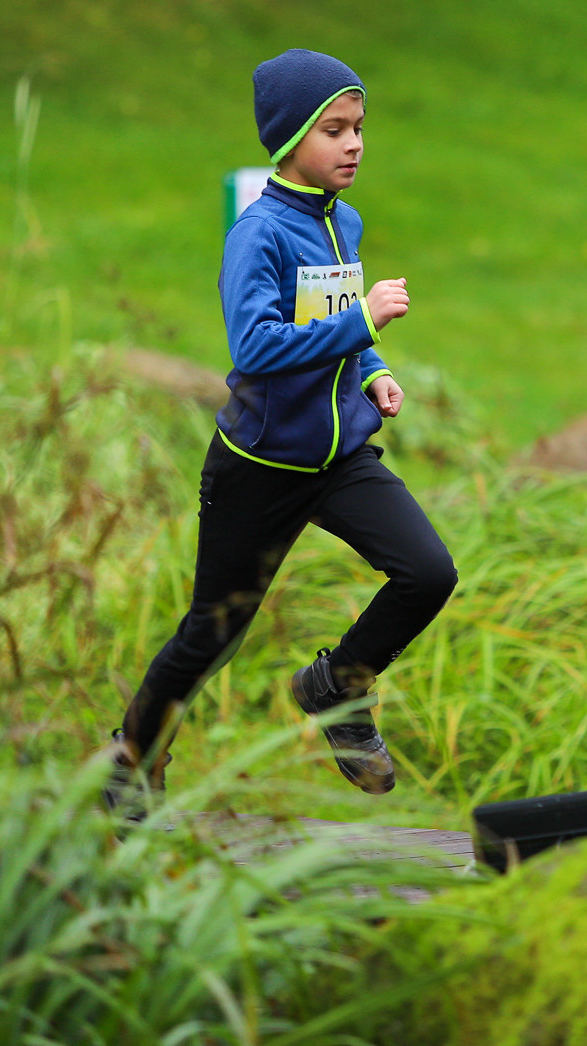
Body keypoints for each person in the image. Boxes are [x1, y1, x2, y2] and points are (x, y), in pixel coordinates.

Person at [105, 48, 459, 814]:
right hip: (260, 464)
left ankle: (337, 688)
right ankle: (132, 760)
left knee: (429, 573)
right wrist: (365, 322)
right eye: (334, 130)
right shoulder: (258, 235)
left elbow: (335, 318)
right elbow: (257, 346)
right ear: (292, 138)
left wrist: (372, 368)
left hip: (338, 456)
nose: (354, 144)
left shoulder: (342, 221)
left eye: (359, 127)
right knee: (213, 632)